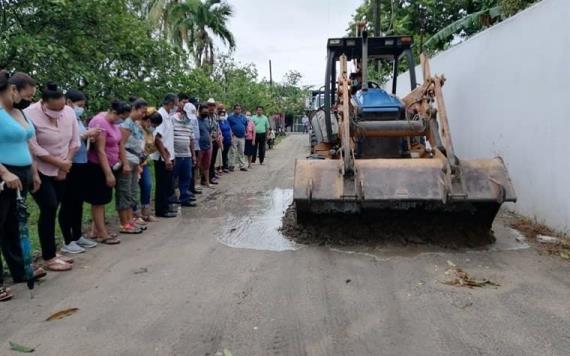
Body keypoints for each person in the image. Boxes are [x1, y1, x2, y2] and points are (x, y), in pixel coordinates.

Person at [26, 83, 78, 271]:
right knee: (48, 207)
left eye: (61, 108)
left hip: (64, 166)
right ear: (44, 103)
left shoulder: (70, 112)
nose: (58, 113)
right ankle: (48, 257)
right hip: (39, 168)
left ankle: (52, 252)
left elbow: (74, 141)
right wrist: (58, 164)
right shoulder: (30, 113)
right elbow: (33, 146)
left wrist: (66, 165)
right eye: (53, 109)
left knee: (54, 207)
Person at [0, 71, 43, 301]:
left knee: (14, 225)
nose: (20, 96)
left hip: (23, 172)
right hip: (5, 173)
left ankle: (20, 270)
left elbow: (26, 143)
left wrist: (33, 172)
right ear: (9, 90)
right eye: (14, 91)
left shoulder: (17, 112)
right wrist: (5, 172)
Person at [58, 90, 100, 254]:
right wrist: (86, 135)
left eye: (82, 106)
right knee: (68, 202)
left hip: (83, 163)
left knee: (78, 202)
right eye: (79, 105)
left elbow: (80, 138)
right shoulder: (63, 118)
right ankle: (67, 240)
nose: (81, 109)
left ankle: (77, 235)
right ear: (68, 102)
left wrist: (90, 137)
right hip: (71, 164)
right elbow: (68, 138)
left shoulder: (78, 119)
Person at [85, 100, 131, 245]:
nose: (121, 121)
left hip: (110, 165)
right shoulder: (100, 122)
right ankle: (102, 234)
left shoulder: (113, 123)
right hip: (98, 167)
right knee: (98, 201)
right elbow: (100, 150)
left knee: (103, 200)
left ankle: (96, 230)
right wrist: (108, 173)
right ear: (116, 113)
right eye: (122, 117)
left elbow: (117, 144)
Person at [118, 99, 148, 234]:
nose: (143, 114)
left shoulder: (135, 124)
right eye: (142, 111)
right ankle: (124, 223)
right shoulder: (126, 124)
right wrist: (125, 163)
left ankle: (130, 220)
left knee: (131, 192)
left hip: (135, 161)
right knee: (124, 193)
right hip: (127, 161)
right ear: (134, 109)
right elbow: (121, 145)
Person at [152, 93, 178, 218]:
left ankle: (166, 207)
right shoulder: (161, 115)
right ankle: (161, 210)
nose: (176, 106)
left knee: (167, 183)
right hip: (161, 158)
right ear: (170, 103)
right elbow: (157, 138)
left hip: (168, 156)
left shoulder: (168, 116)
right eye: (176, 103)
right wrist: (166, 158)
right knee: (162, 184)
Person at [171, 96, 197, 207]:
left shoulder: (190, 123)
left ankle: (184, 197)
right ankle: (172, 198)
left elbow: (191, 140)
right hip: (175, 155)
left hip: (187, 154)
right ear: (183, 111)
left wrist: (193, 156)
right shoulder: (173, 119)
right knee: (173, 178)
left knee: (186, 177)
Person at [137, 108, 162, 222]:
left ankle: (145, 213)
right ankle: (135, 215)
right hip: (133, 162)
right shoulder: (136, 127)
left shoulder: (149, 132)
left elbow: (150, 148)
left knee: (147, 185)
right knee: (132, 189)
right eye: (153, 124)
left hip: (144, 161)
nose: (153, 127)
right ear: (147, 120)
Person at [184, 96, 202, 196]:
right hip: (187, 147)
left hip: (195, 144)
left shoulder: (194, 117)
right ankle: (187, 191)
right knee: (188, 171)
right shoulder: (183, 119)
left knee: (193, 168)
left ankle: (192, 188)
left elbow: (195, 133)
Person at [227, 104, 248, 171]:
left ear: (241, 110)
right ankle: (231, 165)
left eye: (239, 109)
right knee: (233, 151)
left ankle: (242, 166)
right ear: (234, 110)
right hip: (234, 136)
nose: (238, 110)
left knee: (241, 152)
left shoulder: (244, 117)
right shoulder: (230, 117)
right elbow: (228, 126)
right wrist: (231, 133)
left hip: (242, 137)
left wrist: (245, 132)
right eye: (236, 109)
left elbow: (245, 125)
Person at [197, 104, 213, 187]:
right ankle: (197, 183)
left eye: (207, 112)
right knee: (198, 165)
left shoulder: (207, 120)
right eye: (204, 112)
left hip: (208, 147)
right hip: (199, 147)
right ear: (199, 111)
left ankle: (207, 182)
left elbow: (209, 132)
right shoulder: (196, 120)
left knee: (207, 165)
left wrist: (210, 144)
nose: (206, 113)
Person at [206, 98, 221, 184]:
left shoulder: (215, 116)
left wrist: (218, 138)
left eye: (213, 105)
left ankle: (212, 175)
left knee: (213, 159)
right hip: (209, 140)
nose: (211, 107)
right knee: (209, 160)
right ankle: (207, 178)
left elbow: (217, 128)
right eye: (210, 105)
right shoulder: (205, 116)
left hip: (215, 140)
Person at [217, 105, 232, 173]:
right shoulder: (218, 123)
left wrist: (231, 138)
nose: (222, 116)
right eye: (221, 115)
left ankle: (225, 166)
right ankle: (221, 167)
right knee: (221, 154)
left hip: (228, 140)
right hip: (222, 141)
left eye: (223, 115)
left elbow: (230, 130)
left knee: (226, 154)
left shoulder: (226, 121)